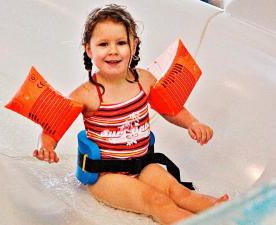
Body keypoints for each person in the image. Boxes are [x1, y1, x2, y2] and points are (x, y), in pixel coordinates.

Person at [33, 4, 228, 225]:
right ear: (89, 49)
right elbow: (53, 127)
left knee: (179, 192)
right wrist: (46, 146)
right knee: (157, 201)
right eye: (103, 44)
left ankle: (227, 213)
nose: (113, 51)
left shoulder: (143, 80)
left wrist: (192, 122)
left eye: (121, 43)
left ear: (133, 45)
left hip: (143, 165)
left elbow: (169, 108)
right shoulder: (85, 94)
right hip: (107, 176)